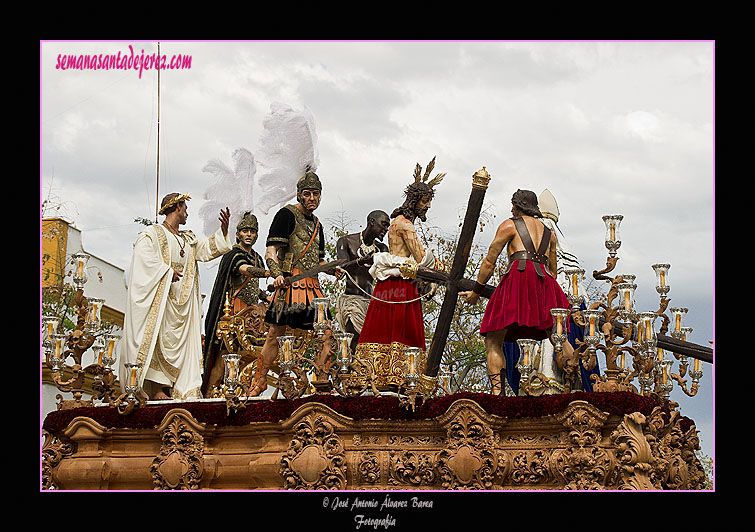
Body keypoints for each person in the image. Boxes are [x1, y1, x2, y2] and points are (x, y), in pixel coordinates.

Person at [121, 193, 232, 401]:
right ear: (176, 207)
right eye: (185, 208)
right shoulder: (152, 234)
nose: (187, 213)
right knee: (159, 338)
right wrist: (165, 271)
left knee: (182, 344)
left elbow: (207, 249)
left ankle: (183, 389)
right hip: (162, 300)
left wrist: (223, 231)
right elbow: (143, 257)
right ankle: (157, 389)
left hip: (184, 304)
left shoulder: (187, 239)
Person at [462, 189, 572, 395]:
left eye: (513, 205)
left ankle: (497, 395)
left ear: (517, 206)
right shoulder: (549, 233)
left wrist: (476, 291)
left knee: (493, 339)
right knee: (559, 338)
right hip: (545, 281)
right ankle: (575, 381)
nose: (511, 209)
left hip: (518, 278)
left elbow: (489, 261)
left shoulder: (509, 225)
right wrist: (545, 294)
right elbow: (554, 270)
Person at [248, 170, 343, 396]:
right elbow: (271, 250)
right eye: (308, 194)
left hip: (312, 285)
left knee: (326, 332)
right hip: (290, 284)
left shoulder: (318, 224)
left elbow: (318, 259)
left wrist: (331, 269)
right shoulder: (286, 215)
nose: (312, 198)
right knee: (274, 334)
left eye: (316, 194)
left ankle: (321, 381)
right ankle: (259, 380)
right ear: (299, 195)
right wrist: (276, 273)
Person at [354, 158, 445, 390]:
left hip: (390, 285)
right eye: (426, 202)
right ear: (415, 201)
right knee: (401, 332)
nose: (428, 207)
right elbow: (421, 258)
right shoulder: (405, 225)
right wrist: (443, 267)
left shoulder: (398, 222)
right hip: (401, 285)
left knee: (385, 329)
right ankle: (399, 378)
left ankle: (382, 376)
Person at [201, 211, 271, 395]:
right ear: (238, 233)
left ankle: (241, 393)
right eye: (245, 231)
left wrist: (265, 297)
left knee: (248, 359)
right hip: (233, 313)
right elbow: (244, 270)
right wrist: (265, 273)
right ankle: (209, 393)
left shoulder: (257, 257)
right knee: (224, 356)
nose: (249, 234)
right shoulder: (233, 253)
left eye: (253, 231)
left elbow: (251, 288)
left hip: (252, 317)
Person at [335, 210, 390, 352]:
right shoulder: (346, 242)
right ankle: (349, 373)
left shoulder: (382, 249)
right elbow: (342, 266)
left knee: (371, 347)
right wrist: (361, 261)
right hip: (352, 302)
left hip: (372, 303)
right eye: (383, 224)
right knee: (354, 345)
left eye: (388, 226)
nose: (386, 229)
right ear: (372, 222)